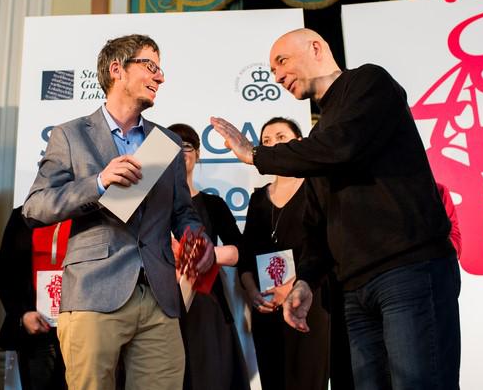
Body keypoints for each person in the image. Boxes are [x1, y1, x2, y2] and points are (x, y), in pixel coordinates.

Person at [211, 28, 460, 390]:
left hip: (407, 272)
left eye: (282, 61)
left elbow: (344, 145)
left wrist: (257, 154)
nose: (277, 76)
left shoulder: (369, 83)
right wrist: (306, 281)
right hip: (355, 291)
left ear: (316, 47)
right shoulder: (319, 137)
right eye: (272, 70)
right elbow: (318, 222)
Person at [22, 34, 214, 390]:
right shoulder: (71, 135)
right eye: (150, 66)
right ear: (117, 70)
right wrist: (98, 183)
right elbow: (35, 207)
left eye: (160, 69)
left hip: (159, 296)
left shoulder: (167, 142)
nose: (160, 77)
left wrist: (197, 239)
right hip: (94, 293)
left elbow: (182, 213)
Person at [238, 117, 330, 390]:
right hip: (267, 310)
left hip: (309, 305)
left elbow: (327, 247)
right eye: (266, 141)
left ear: (299, 143)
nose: (274, 145)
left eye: (281, 137)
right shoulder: (257, 199)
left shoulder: (317, 189)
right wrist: (252, 291)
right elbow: (246, 255)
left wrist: (295, 286)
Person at [167, 123, 250, 390]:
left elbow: (240, 250)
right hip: (162, 305)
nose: (180, 152)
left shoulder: (213, 205)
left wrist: (206, 254)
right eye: (172, 146)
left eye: (186, 146)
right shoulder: (153, 206)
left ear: (198, 154)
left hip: (205, 301)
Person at [0, 207, 68, 390]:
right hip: (37, 324)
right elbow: (4, 269)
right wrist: (22, 313)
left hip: (80, 323)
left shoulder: (90, 213)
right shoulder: (23, 215)